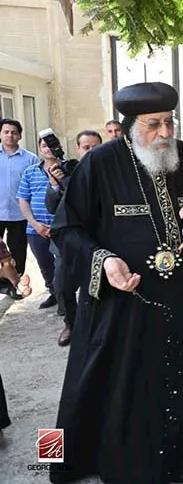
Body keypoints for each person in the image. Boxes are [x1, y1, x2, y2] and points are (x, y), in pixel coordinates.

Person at [49, 82, 183, 484]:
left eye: (170, 122)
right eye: (154, 124)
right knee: (109, 380)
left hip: (175, 293)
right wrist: (104, 260)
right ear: (132, 126)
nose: (165, 132)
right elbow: (66, 229)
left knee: (178, 376)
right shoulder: (100, 163)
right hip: (120, 297)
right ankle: (85, 462)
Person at [46, 130, 102, 346]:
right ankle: (71, 324)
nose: (91, 151)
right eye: (86, 147)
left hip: (98, 242)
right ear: (78, 149)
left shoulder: (109, 173)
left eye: (95, 147)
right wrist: (55, 185)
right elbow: (52, 207)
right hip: (67, 243)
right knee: (62, 287)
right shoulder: (67, 172)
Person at [18, 136, 59, 309]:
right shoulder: (30, 172)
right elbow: (23, 200)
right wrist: (34, 224)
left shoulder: (68, 168)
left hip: (62, 228)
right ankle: (54, 294)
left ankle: (67, 297)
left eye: (51, 145)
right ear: (40, 149)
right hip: (36, 229)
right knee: (45, 266)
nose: (48, 149)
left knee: (65, 266)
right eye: (44, 146)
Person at [0, 118, 39, 299]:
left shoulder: (30, 159)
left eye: (14, 132)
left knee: (18, 252)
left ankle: (14, 285)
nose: (10, 135)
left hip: (20, 214)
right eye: (6, 132)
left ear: (20, 136)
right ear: (0, 134)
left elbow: (35, 186)